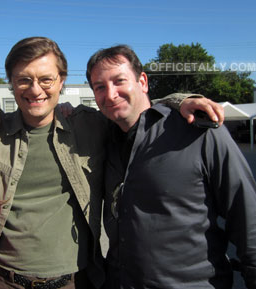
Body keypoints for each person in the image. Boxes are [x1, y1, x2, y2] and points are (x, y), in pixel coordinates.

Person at [0, 37, 224, 289]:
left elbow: (132, 107)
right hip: (5, 281)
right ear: (11, 85)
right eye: (23, 80)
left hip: (78, 280)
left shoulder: (89, 124)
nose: (35, 89)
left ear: (61, 82)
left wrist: (181, 99)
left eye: (46, 79)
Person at [86, 45, 256, 288]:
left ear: (142, 81)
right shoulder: (103, 140)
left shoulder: (197, 130)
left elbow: (246, 212)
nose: (110, 94)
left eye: (119, 81)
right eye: (99, 87)